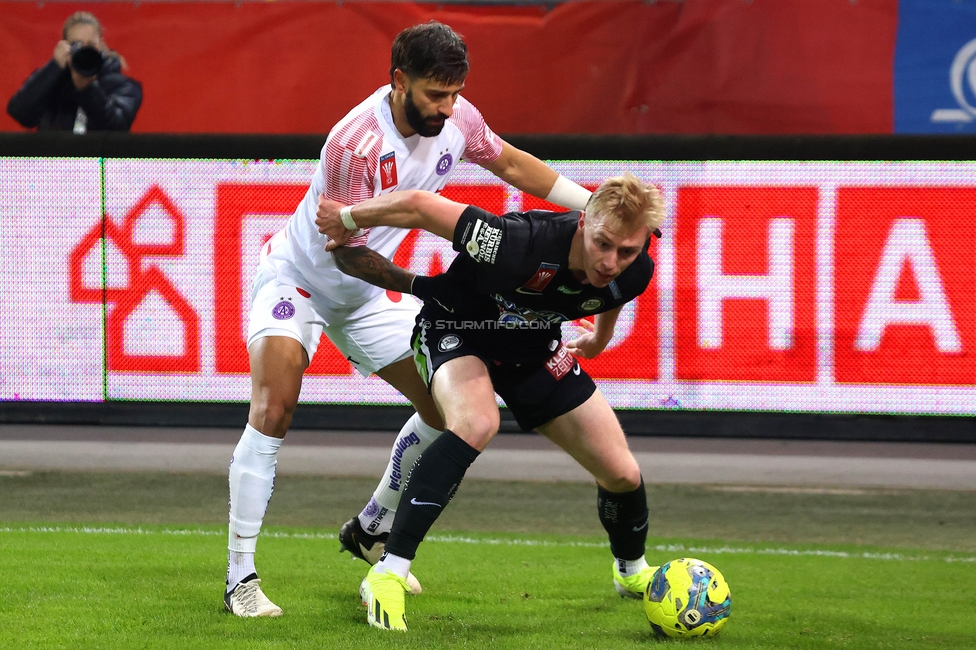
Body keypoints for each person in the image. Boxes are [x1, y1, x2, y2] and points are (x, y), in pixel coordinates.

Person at [223, 20, 592, 617]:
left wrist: (590, 204)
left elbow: (514, 165)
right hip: (303, 280)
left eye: (454, 93)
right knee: (274, 410)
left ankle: (371, 527)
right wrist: (425, 288)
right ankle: (240, 576)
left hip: (368, 294)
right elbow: (344, 246)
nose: (447, 108)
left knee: (451, 413)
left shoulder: (459, 117)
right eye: (434, 95)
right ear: (398, 81)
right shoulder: (355, 143)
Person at [315, 172, 664, 631]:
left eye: (627, 251)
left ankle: (632, 571)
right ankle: (388, 572)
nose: (612, 261)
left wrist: (600, 337)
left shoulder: (635, 269)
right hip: (456, 331)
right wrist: (345, 216)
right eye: (604, 244)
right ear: (583, 223)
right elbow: (420, 205)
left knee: (621, 473)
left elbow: (611, 293)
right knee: (477, 422)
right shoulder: (517, 242)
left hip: (533, 347)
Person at [6, 11, 142, 133]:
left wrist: (88, 89)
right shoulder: (52, 82)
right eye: (77, 45)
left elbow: (116, 128)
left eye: (90, 45)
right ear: (65, 47)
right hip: (55, 160)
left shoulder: (125, 86)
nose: (84, 51)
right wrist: (54, 66)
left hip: (100, 161)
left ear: (101, 45)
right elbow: (20, 112)